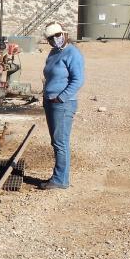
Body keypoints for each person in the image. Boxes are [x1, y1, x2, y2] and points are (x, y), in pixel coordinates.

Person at [39, 22, 84, 190]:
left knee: (60, 142)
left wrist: (61, 97)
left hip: (62, 104)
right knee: (56, 141)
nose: (55, 39)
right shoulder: (53, 52)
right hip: (50, 102)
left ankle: (60, 180)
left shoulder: (72, 53)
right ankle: (59, 177)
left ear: (64, 33)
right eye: (51, 38)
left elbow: (78, 80)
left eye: (57, 35)